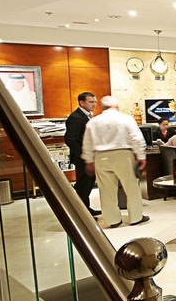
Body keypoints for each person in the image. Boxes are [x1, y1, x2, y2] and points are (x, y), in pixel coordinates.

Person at [81, 95, 149, 228]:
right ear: (117, 106)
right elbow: (136, 138)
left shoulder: (93, 122)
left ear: (102, 107)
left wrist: (89, 160)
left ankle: (113, 220)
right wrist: (141, 156)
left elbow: (87, 143)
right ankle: (136, 217)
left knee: (106, 191)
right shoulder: (125, 119)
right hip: (123, 155)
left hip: (101, 156)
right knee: (131, 188)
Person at [64, 92, 100, 216]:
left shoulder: (87, 116)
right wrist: (83, 155)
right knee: (83, 184)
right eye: (91, 102)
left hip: (89, 156)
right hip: (83, 158)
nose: (94, 104)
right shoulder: (76, 117)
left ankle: (86, 209)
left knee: (88, 183)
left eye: (95, 102)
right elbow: (70, 139)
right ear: (81, 102)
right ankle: (79, 211)